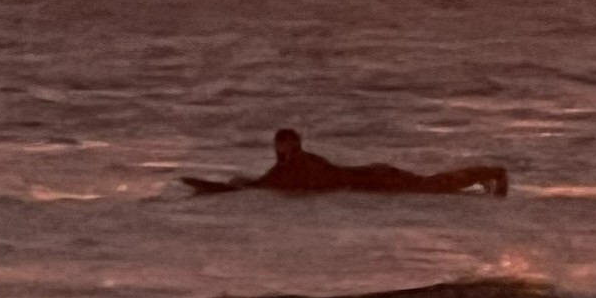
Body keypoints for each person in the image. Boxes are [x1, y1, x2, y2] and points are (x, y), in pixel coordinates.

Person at [184, 128, 508, 197]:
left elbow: (274, 184)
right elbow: (269, 182)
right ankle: (488, 175)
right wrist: (236, 185)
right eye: (281, 146)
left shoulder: (303, 163)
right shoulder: (287, 167)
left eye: (289, 145)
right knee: (434, 185)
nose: (285, 150)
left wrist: (232, 189)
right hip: (372, 178)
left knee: (433, 186)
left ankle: (493, 173)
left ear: (296, 145)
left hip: (376, 179)